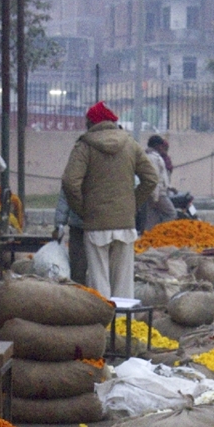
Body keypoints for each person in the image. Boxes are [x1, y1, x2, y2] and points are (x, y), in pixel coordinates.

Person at [61, 102, 158, 299]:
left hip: (96, 224)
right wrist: (132, 206)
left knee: (99, 281)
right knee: (123, 283)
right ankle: (122, 324)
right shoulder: (130, 144)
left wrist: (83, 210)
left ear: (91, 123)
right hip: (124, 222)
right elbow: (151, 179)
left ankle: (103, 324)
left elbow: (70, 182)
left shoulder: (84, 147)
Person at [144, 135, 177, 231]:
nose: (163, 148)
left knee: (152, 219)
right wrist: (155, 196)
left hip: (155, 192)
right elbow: (155, 178)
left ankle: (148, 239)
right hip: (158, 193)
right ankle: (161, 234)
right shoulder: (152, 158)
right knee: (171, 213)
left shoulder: (155, 157)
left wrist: (170, 187)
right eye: (161, 145)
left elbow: (162, 177)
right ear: (157, 145)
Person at [54, 186, 86, 284]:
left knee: (77, 270)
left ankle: (78, 292)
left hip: (78, 225)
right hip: (102, 224)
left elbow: (64, 197)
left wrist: (59, 224)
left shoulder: (74, 173)